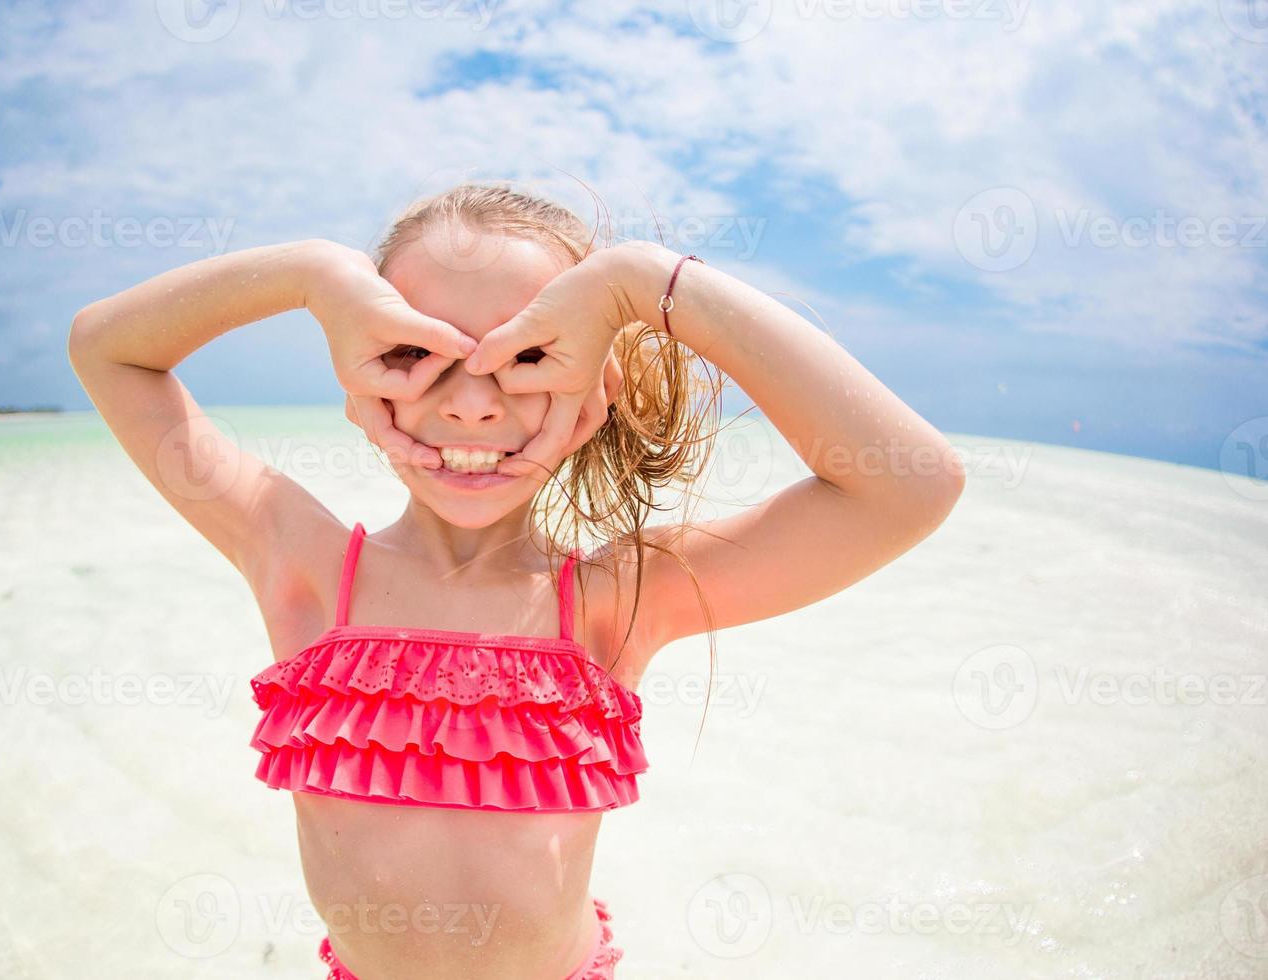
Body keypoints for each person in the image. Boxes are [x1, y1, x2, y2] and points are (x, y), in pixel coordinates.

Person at [66, 183, 966, 978]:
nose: (471, 401)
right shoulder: (302, 567)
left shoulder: (616, 601)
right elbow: (110, 350)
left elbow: (908, 486)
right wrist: (312, 275)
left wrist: (641, 281)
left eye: (527, 357)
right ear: (354, 376)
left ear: (595, 393)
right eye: (417, 354)